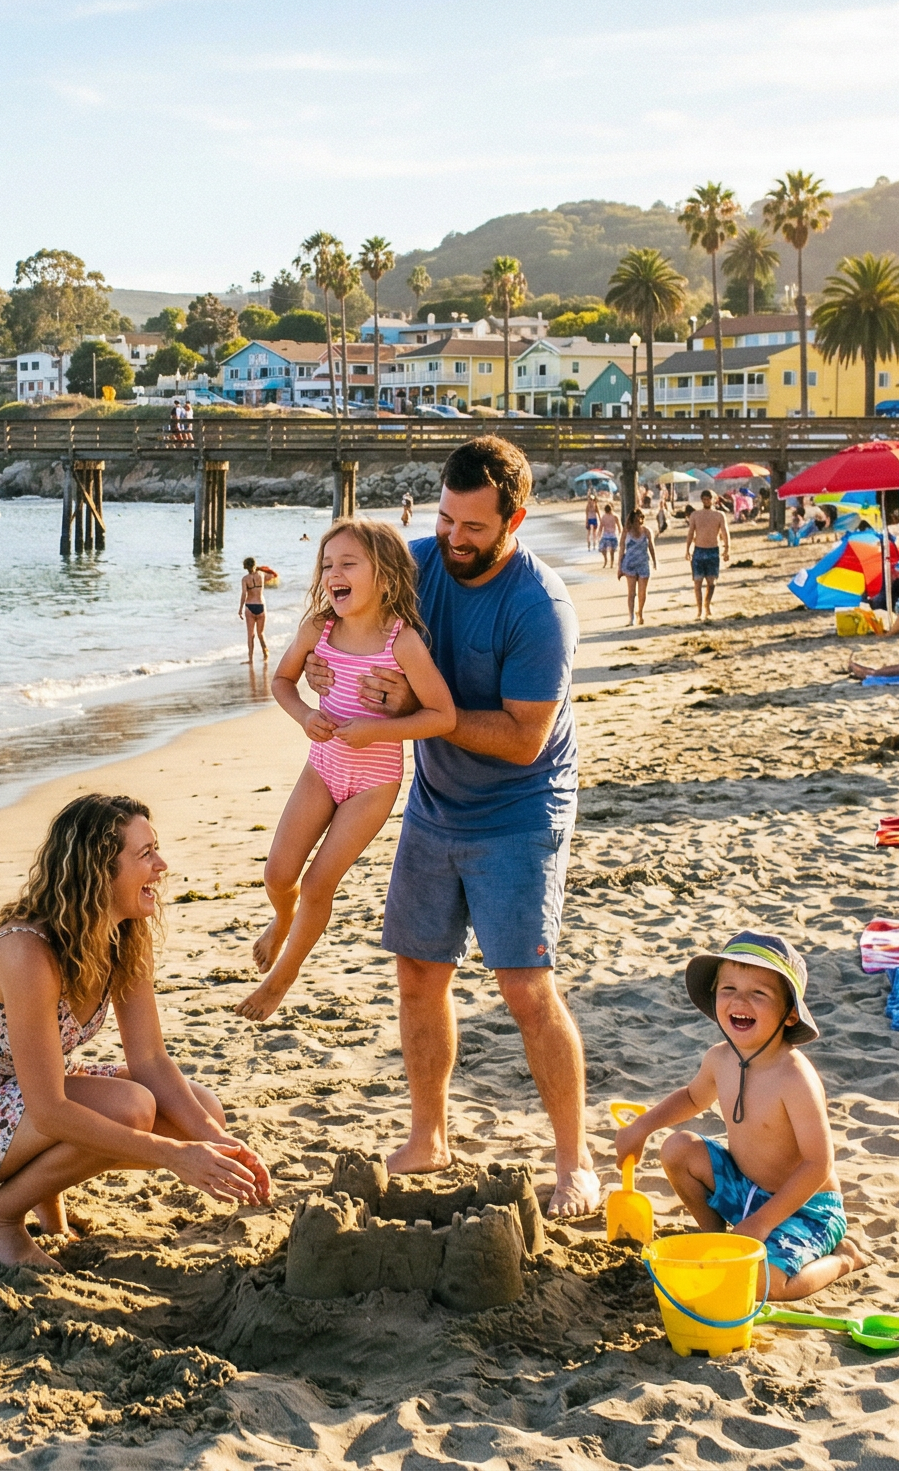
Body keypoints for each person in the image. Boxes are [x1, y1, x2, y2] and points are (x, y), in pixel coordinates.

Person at [304, 437, 595, 1216]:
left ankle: (575, 1163)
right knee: (418, 974)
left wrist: (412, 715)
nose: (454, 541)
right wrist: (325, 666)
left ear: (516, 519)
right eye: (445, 519)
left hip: (520, 810)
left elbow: (522, 738)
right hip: (436, 803)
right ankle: (428, 1136)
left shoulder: (538, 608)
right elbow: (342, 613)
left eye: (474, 528)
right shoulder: (421, 563)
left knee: (527, 990)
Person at [0, 794, 268, 1268]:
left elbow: (151, 1061)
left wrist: (213, 1141)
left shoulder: (124, 936)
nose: (162, 865)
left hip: (27, 1088)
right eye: (145, 854)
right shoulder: (27, 954)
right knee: (131, 1110)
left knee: (202, 1110)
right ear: (98, 871)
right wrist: (176, 1156)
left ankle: (46, 1203)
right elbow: (50, 1110)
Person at [242, 521, 458, 1023]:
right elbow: (282, 680)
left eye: (347, 565)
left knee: (319, 883)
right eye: (326, 565)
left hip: (373, 782)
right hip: (322, 767)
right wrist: (304, 717)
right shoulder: (319, 629)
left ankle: (284, 975)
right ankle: (282, 919)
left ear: (384, 575)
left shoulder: (401, 643)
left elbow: (442, 716)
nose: (332, 574)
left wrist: (377, 731)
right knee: (278, 873)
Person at [611, 933, 864, 1300]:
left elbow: (818, 1164)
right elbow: (692, 1097)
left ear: (790, 1013)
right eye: (728, 988)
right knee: (678, 1148)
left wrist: (761, 1223)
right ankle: (719, 1242)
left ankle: (844, 1259)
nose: (739, 1001)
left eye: (758, 993)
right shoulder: (719, 1059)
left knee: (766, 1285)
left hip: (806, 1208)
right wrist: (641, 1126)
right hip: (747, 1190)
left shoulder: (794, 1076)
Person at [685, 490, 730, 621]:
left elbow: (725, 533)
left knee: (712, 582)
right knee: (697, 582)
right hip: (698, 550)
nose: (706, 501)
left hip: (713, 551)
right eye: (704, 499)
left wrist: (727, 549)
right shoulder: (695, 515)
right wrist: (687, 549)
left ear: (714, 500)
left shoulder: (719, 515)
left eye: (708, 499)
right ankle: (699, 610)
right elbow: (690, 533)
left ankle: (707, 604)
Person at [619, 506, 656, 625]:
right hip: (629, 565)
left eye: (639, 519)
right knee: (631, 593)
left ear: (642, 519)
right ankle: (631, 617)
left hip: (644, 563)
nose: (637, 522)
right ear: (631, 520)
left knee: (642, 592)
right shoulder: (626, 532)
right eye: (634, 520)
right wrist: (619, 567)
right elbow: (621, 549)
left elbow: (651, 546)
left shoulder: (647, 531)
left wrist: (655, 561)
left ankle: (640, 612)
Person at [239, 555, 269, 665]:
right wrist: (260, 568)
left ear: (245, 567)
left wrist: (240, 608)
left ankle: (250, 659)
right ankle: (265, 654)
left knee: (250, 635)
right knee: (261, 633)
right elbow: (271, 574)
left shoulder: (245, 579)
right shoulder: (261, 575)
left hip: (250, 606)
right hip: (261, 605)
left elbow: (243, 594)